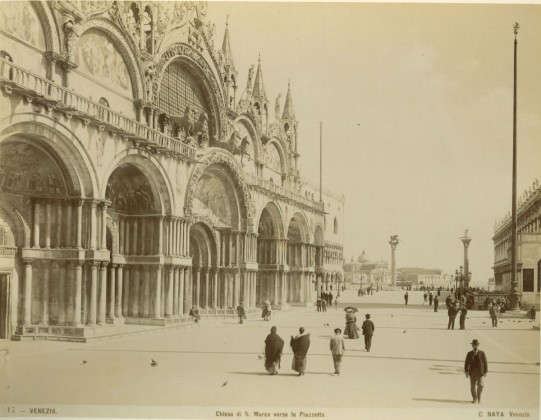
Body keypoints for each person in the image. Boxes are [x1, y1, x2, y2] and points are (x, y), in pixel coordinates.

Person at [464, 339, 488, 404]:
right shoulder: (469, 354)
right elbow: (466, 363)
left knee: (481, 385)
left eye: (476, 345)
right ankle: (475, 399)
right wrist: (466, 372)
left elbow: (485, 363)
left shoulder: (482, 353)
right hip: (472, 372)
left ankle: (479, 397)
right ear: (472, 346)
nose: (475, 346)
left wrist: (486, 371)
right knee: (473, 386)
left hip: (480, 372)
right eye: (474, 345)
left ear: (478, 345)